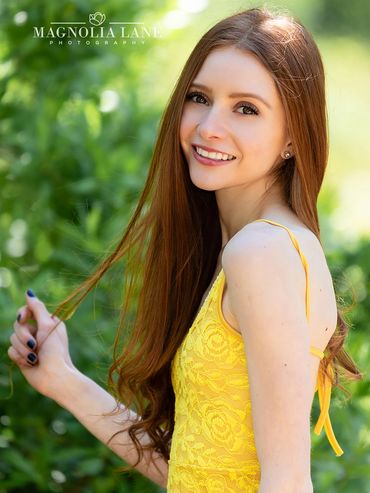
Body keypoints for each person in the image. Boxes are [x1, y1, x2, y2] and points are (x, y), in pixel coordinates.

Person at [8, 6, 362, 492]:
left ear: (293, 137)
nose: (208, 126)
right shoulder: (259, 246)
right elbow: (199, 474)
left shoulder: (261, 252)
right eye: (199, 97)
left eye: (246, 108)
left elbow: (288, 481)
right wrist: (63, 380)